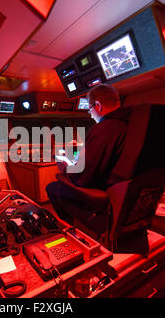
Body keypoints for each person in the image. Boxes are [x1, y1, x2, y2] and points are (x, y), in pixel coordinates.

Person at [46, 83, 131, 223]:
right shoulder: (130, 124)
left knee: (53, 188)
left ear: (98, 105)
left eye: (90, 109)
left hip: (104, 194)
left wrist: (65, 169)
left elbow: (83, 177)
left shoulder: (103, 128)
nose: (91, 115)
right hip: (124, 193)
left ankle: (79, 229)